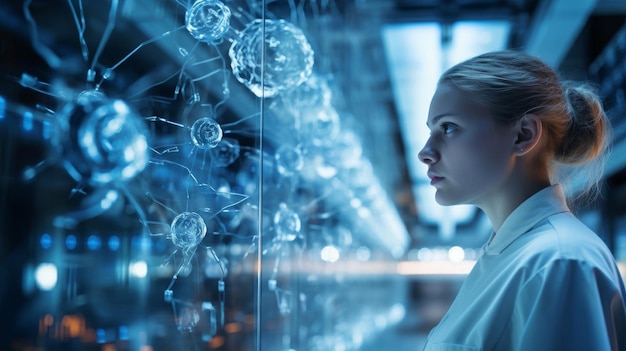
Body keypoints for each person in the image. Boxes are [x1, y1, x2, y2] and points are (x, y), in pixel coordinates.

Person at [417, 50, 626, 350]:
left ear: (523, 135)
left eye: (448, 127)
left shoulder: (558, 262)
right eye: (431, 131)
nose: (425, 152)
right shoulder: (514, 255)